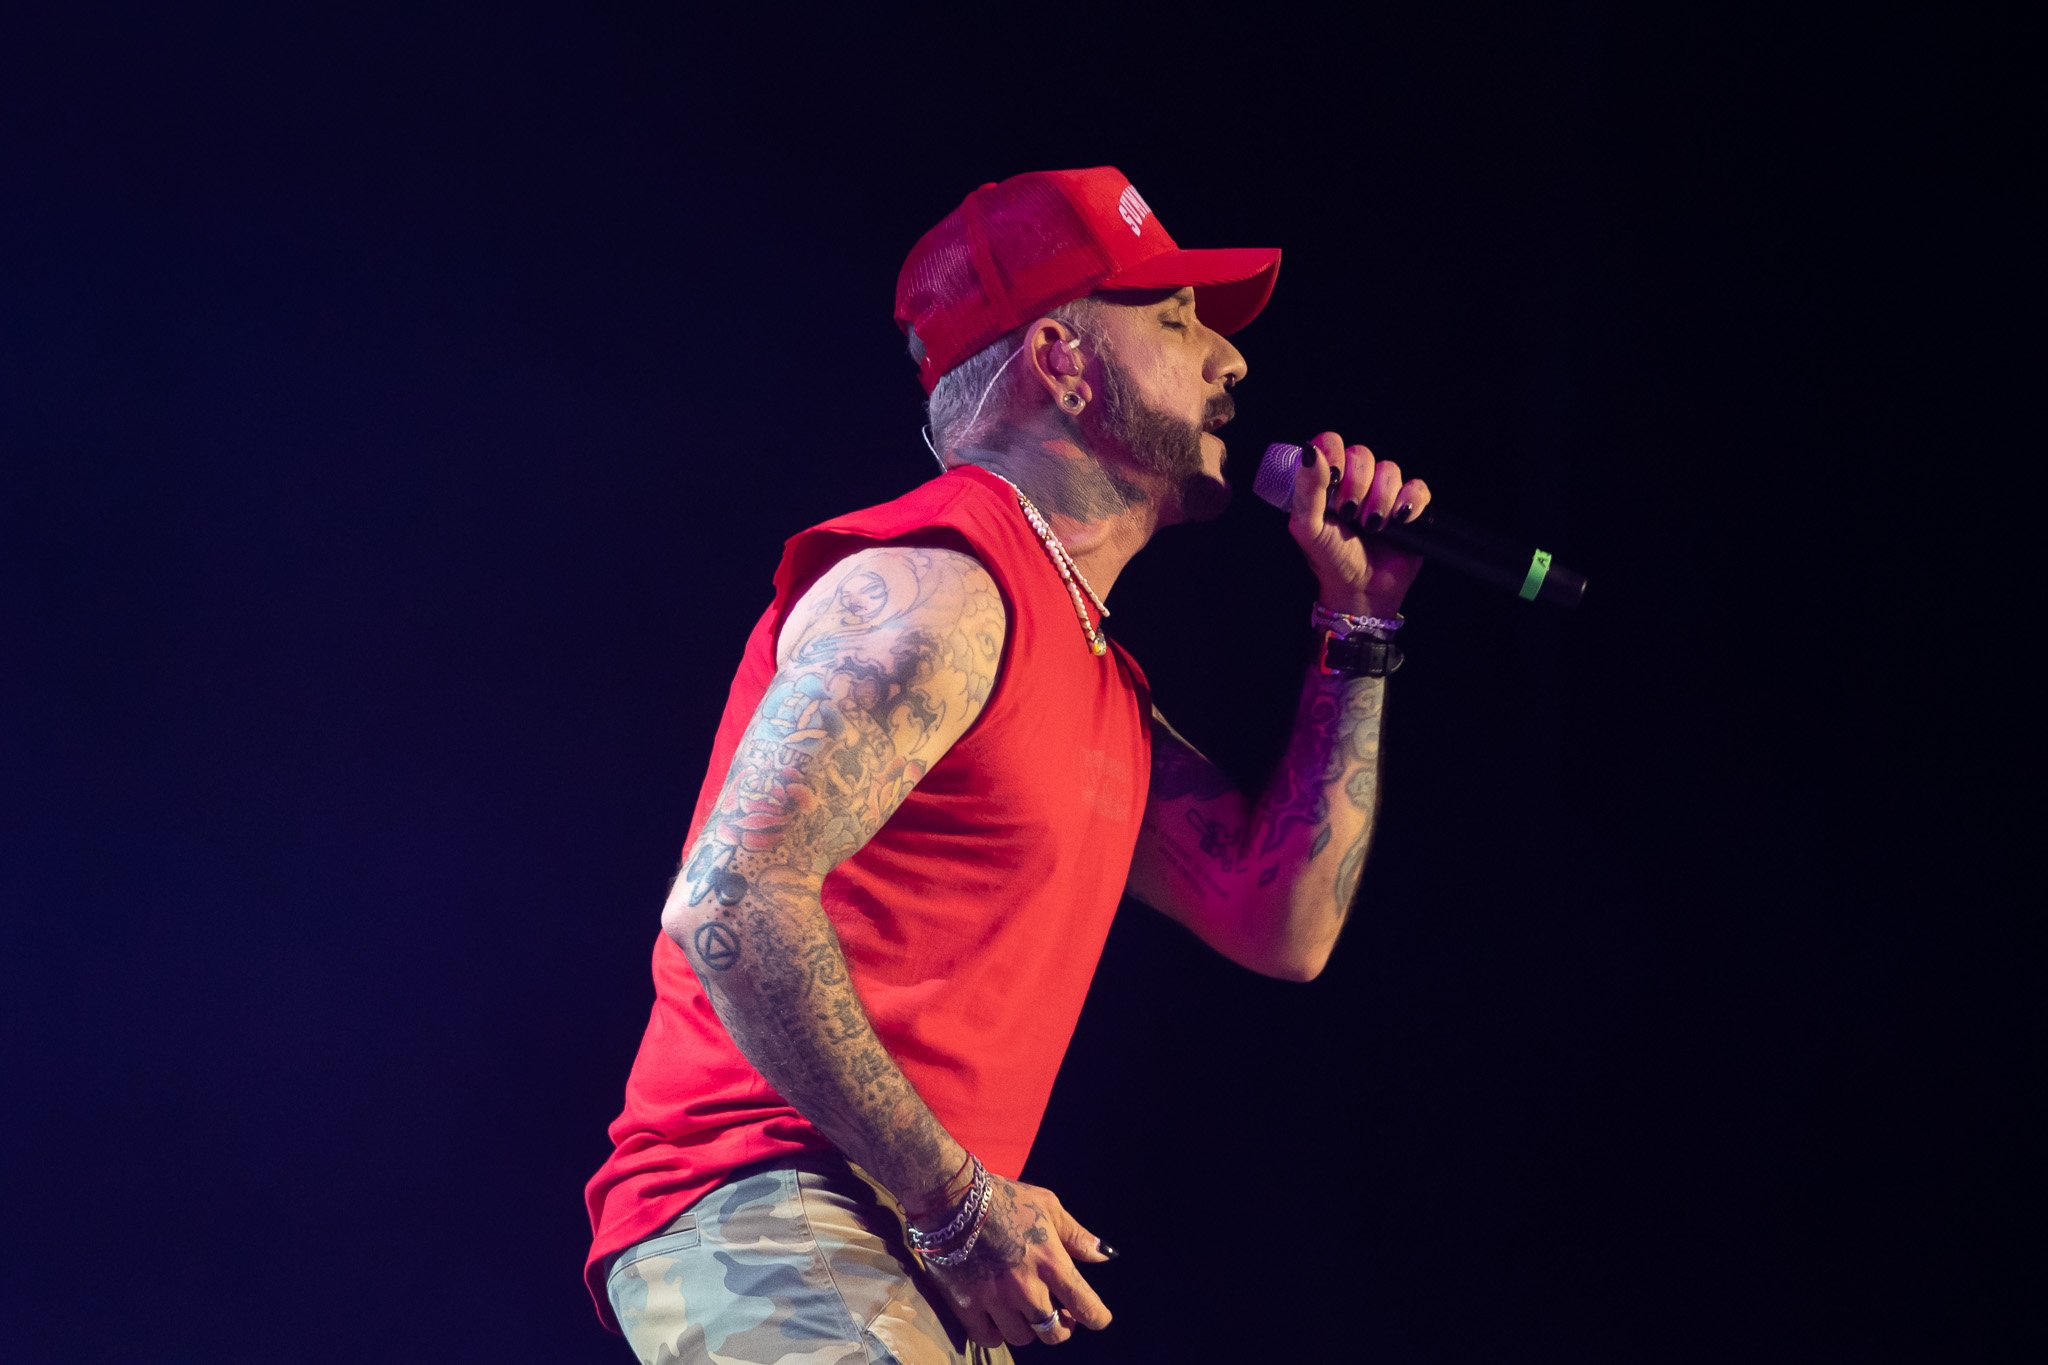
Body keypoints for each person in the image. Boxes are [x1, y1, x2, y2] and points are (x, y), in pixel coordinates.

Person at [584, 165, 1432, 1364]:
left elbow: (1279, 923)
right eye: (1174, 321)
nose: (1230, 362)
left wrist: (1357, 625)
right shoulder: (940, 584)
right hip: (774, 1206)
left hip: (916, 1233)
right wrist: (956, 1205)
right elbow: (728, 900)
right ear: (1060, 360)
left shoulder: (1090, 671)